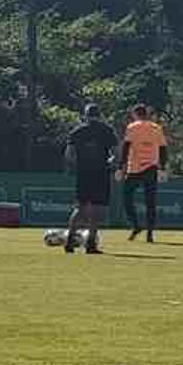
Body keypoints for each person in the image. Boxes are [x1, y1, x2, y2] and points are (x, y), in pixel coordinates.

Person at [63, 102, 118, 255]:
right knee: (97, 209)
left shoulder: (78, 131)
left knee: (80, 208)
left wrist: (77, 166)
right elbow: (115, 153)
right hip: (101, 174)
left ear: (85, 115)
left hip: (83, 174)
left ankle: (69, 241)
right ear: (99, 115)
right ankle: (90, 244)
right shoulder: (107, 130)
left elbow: (69, 154)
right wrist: (111, 162)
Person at [121, 104, 169, 242]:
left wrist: (121, 166)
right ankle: (150, 233)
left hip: (135, 168)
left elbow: (126, 146)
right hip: (151, 167)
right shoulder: (156, 127)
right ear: (146, 114)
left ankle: (135, 225)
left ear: (135, 114)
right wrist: (163, 167)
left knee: (126, 196)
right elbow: (163, 149)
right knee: (150, 201)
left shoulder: (132, 127)